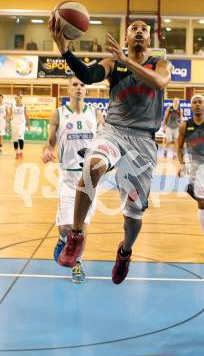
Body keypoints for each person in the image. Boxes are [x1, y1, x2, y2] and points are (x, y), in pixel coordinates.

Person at [49, 17, 171, 284]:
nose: (139, 31)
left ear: (149, 39)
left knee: (133, 216)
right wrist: (65, 49)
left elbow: (159, 83)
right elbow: (88, 76)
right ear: (126, 38)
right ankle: (76, 236)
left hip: (143, 141)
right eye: (133, 29)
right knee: (92, 166)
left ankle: (125, 252)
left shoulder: (159, 64)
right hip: (114, 131)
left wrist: (127, 61)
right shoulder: (113, 63)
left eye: (144, 29)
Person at [42, 77, 104, 283]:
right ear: (68, 89)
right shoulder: (58, 113)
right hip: (68, 179)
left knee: (81, 227)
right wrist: (46, 150)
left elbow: (105, 140)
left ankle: (77, 265)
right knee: (66, 228)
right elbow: (50, 142)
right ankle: (62, 239)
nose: (79, 88)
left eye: (82, 85)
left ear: (86, 90)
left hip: (88, 180)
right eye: (75, 85)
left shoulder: (95, 114)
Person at [177, 94, 204, 259]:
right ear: (191, 106)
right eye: (194, 102)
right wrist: (182, 164)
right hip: (196, 168)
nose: (197, 105)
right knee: (202, 201)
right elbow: (179, 147)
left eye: (200, 102)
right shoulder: (184, 126)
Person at [7, 95, 30, 159]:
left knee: (20, 138)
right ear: (15, 99)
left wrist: (28, 124)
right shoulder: (12, 106)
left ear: (21, 99)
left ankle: (21, 152)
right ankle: (17, 153)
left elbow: (27, 115)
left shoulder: (24, 106)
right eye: (16, 98)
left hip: (21, 124)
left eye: (19, 98)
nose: (17, 99)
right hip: (14, 124)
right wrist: (7, 123)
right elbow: (9, 114)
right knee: (15, 140)